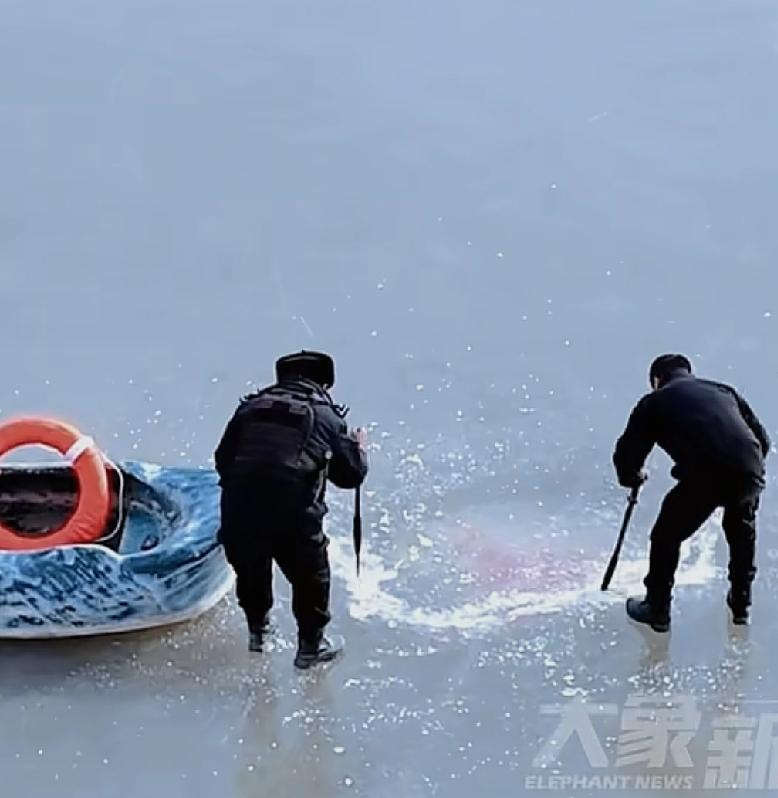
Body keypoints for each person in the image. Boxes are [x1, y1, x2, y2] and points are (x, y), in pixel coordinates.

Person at [214, 351, 368, 669]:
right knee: (311, 577)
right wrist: (358, 448)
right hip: (293, 514)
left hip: (240, 509)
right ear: (326, 382)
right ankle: (310, 648)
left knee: (251, 571)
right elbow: (350, 475)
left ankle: (259, 633)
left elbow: (222, 459)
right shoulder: (327, 417)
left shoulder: (249, 408)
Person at [613, 354, 769, 632]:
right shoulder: (723, 390)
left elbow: (628, 454)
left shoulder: (654, 402)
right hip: (749, 467)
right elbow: (763, 439)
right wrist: (746, 468)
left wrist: (632, 477)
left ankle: (657, 608)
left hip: (707, 474)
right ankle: (741, 605)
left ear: (656, 380)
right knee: (741, 530)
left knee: (666, 535)